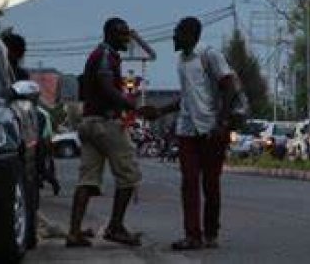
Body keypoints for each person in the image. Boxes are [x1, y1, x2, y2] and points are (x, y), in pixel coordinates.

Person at [151, 16, 236, 251]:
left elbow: (229, 86)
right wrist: (161, 111)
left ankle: (211, 233)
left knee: (210, 184)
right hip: (187, 130)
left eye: (177, 33)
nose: (174, 37)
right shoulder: (182, 61)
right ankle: (192, 235)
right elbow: (187, 98)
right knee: (189, 182)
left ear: (190, 35)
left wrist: (223, 121)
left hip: (211, 130)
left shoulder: (209, 56)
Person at [66, 17, 149, 248]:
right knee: (129, 175)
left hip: (89, 123)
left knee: (87, 179)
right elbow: (106, 87)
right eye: (122, 34)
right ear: (110, 34)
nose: (126, 39)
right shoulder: (105, 56)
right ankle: (115, 227)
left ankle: (74, 232)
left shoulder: (101, 54)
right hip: (105, 123)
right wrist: (131, 106)